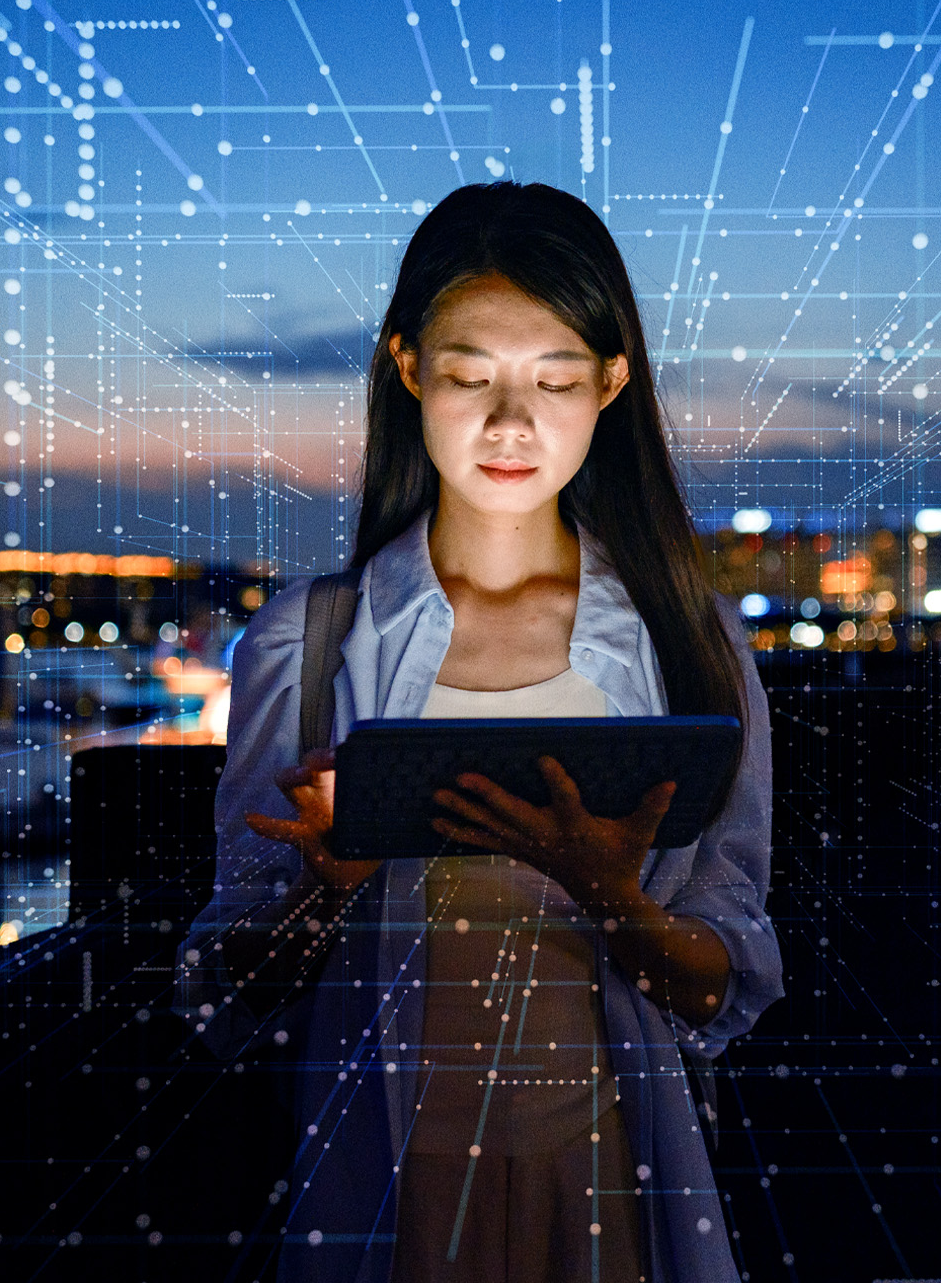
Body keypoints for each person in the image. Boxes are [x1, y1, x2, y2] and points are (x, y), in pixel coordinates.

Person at [175, 181, 783, 1283]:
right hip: (381, 1185)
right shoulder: (308, 643)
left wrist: (611, 893)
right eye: (469, 377)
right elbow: (227, 992)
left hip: (611, 1175)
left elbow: (724, 986)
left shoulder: (686, 641)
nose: (511, 424)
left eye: (555, 380)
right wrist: (325, 891)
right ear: (408, 368)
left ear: (612, 382)